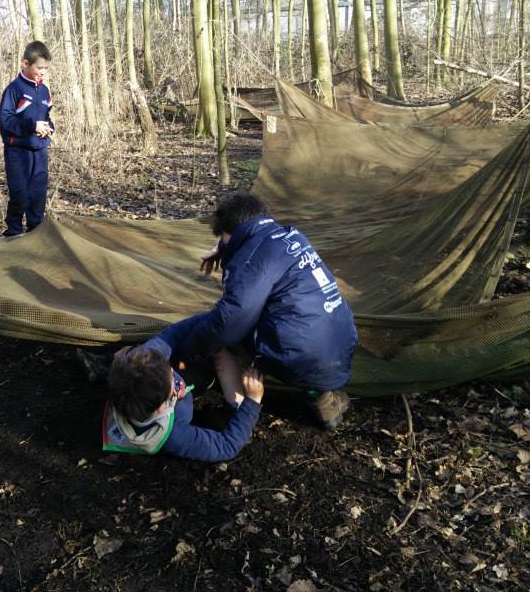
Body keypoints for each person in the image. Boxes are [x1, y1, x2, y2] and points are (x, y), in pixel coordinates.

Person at [127, 191, 358, 430]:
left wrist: (191, 350)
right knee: (288, 321)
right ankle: (321, 399)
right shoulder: (291, 235)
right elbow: (254, 249)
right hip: (340, 344)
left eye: (224, 237)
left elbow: (231, 320)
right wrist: (225, 248)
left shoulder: (250, 260)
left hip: (297, 355)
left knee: (221, 334)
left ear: (232, 232)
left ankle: (235, 410)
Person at [102, 345, 265, 461]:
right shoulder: (173, 436)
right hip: (185, 410)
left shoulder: (126, 389)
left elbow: (126, 361)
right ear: (162, 406)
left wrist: (128, 353)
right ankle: (233, 413)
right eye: (172, 379)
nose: (173, 371)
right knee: (218, 352)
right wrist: (252, 401)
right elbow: (226, 447)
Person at [0, 41, 55, 236]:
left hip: (39, 150)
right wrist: (32, 126)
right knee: (19, 193)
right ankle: (13, 232)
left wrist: (48, 128)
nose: (43, 72)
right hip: (18, 150)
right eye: (40, 68)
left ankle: (36, 230)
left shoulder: (44, 90)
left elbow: (46, 117)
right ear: (25, 63)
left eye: (46, 68)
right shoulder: (14, 89)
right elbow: (6, 121)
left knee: (38, 193)